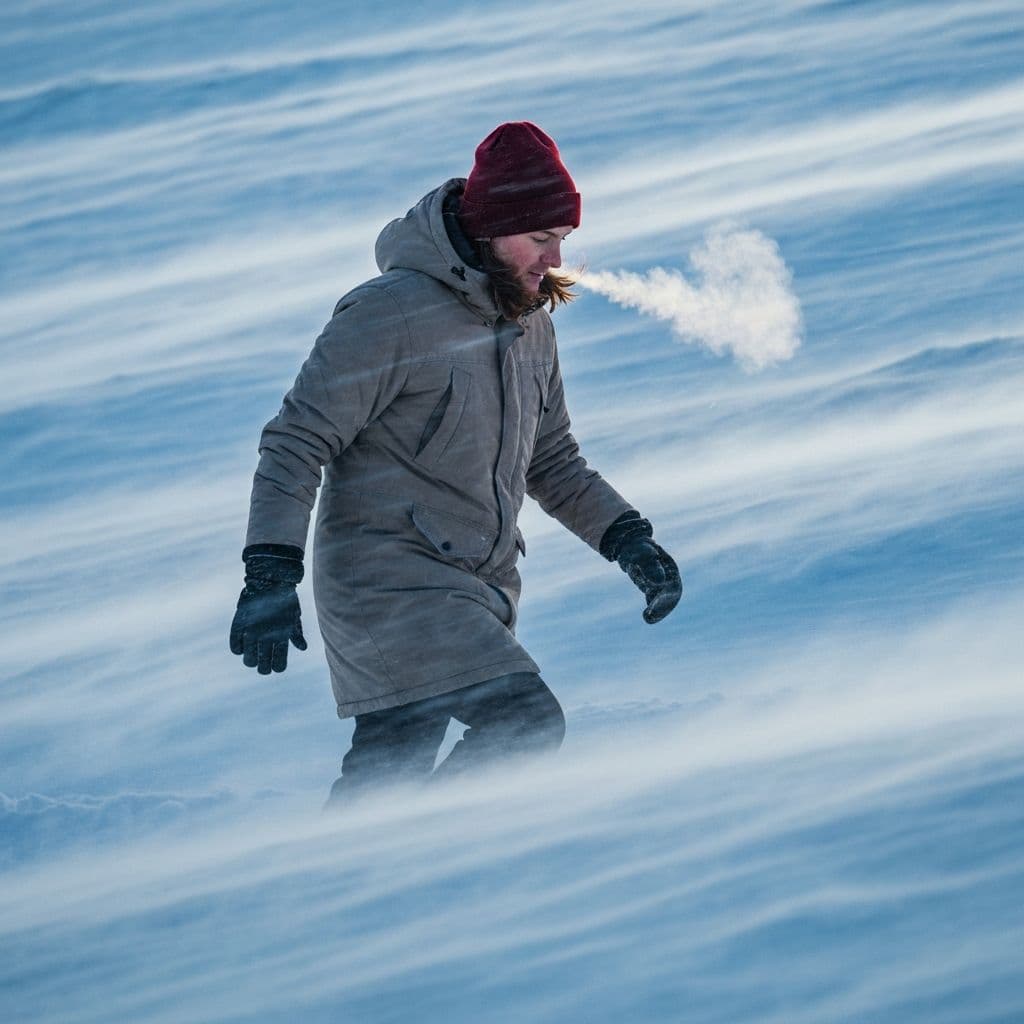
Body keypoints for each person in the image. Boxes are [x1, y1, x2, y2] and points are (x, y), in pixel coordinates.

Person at [229, 122, 681, 804]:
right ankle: (429, 863)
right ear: (494, 229)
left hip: (474, 587)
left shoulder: (532, 325)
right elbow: (297, 438)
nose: (555, 256)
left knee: (393, 764)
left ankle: (340, 885)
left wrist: (628, 539)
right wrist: (269, 568)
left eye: (562, 238)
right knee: (524, 721)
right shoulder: (391, 314)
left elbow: (551, 459)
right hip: (388, 583)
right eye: (540, 238)